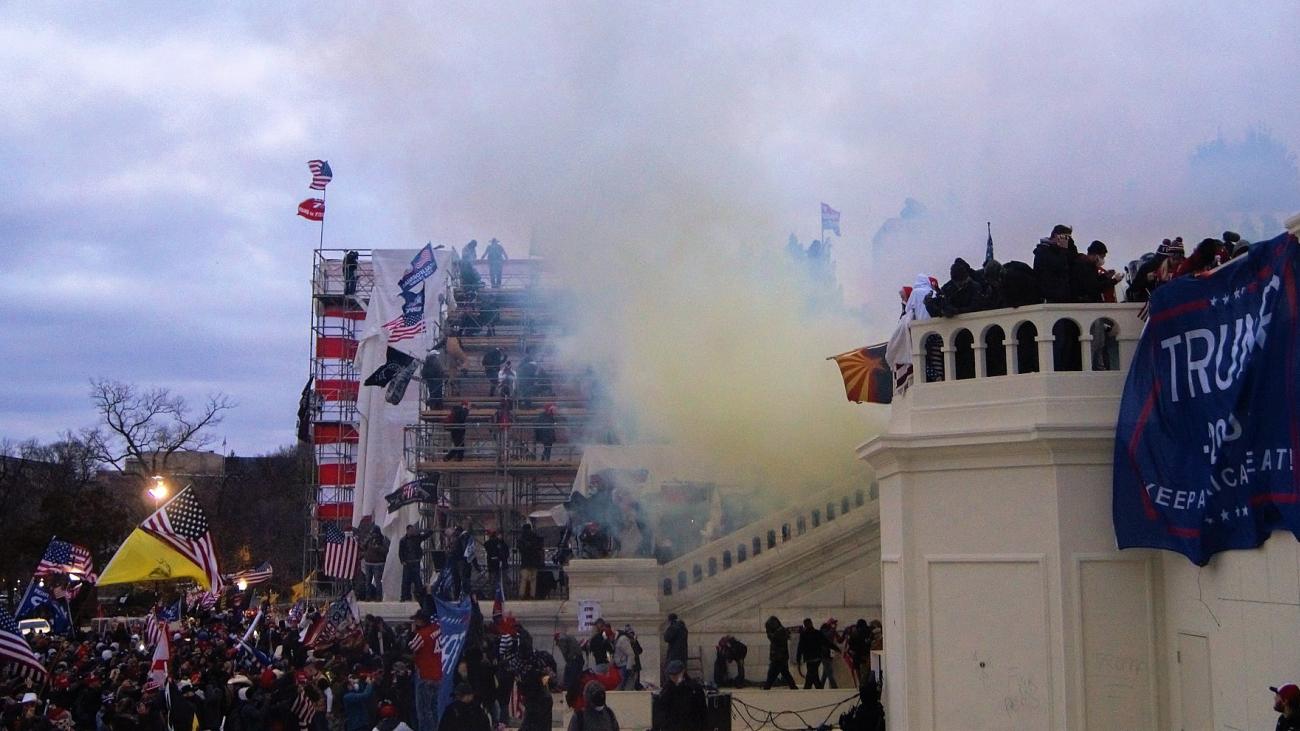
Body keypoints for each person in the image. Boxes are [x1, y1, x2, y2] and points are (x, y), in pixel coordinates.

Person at [410, 612, 444, 731]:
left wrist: (412, 632)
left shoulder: (422, 635)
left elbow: (411, 647)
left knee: (424, 710)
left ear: (421, 621)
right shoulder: (438, 630)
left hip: (425, 675)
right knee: (434, 707)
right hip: (438, 675)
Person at [655, 660, 705, 731]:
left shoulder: (695, 689)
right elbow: (661, 712)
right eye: (671, 675)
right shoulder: (667, 689)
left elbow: (702, 712)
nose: (674, 678)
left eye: (676, 674)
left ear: (683, 672)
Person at [1033, 224, 1076, 303]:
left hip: (1062, 295)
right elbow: (1058, 266)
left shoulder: (1061, 251)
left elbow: (1072, 262)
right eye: (1065, 237)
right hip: (1050, 296)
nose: (1066, 240)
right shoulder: (1043, 251)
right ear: (1056, 235)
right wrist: (1063, 251)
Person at [399, 525, 432, 602]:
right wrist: (402, 561)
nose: (412, 532)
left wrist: (429, 530)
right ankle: (404, 596)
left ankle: (420, 596)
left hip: (415, 562)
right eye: (410, 530)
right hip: (407, 563)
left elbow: (425, 536)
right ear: (407, 530)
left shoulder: (417, 538)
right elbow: (400, 552)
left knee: (417, 580)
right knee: (406, 580)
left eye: (413, 530)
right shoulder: (403, 540)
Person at [762, 616, 796, 690]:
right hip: (780, 656)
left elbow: (773, 638)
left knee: (772, 673)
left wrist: (768, 632)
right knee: (785, 673)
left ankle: (767, 687)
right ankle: (793, 686)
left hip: (778, 657)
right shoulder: (781, 630)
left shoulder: (780, 631)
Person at [795, 618, 826, 689]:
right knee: (814, 675)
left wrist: (798, 659)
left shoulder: (804, 634)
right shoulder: (816, 633)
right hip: (816, 658)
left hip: (810, 658)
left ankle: (807, 689)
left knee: (810, 675)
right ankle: (818, 688)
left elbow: (800, 648)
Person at [517, 523, 545, 599]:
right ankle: (533, 595)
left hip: (525, 562)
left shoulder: (521, 539)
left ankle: (522, 595)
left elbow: (520, 549)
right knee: (533, 580)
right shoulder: (535, 537)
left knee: (524, 580)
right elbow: (539, 548)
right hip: (534, 561)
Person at [361, 529, 389, 601]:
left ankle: (379, 597)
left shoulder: (382, 540)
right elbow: (363, 546)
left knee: (377, 581)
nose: (374, 535)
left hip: (378, 563)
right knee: (367, 581)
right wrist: (367, 540)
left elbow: (386, 550)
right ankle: (368, 596)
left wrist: (378, 548)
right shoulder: (369, 540)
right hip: (368, 562)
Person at [613, 625, 641, 691]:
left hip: (628, 667)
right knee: (627, 687)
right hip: (632, 666)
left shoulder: (622, 640)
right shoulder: (626, 640)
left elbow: (632, 654)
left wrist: (628, 668)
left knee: (626, 688)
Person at [819, 619, 842, 689]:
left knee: (826, 672)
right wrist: (833, 629)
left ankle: (820, 686)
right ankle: (835, 687)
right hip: (824, 653)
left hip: (829, 653)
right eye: (833, 623)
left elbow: (839, 640)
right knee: (829, 671)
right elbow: (827, 638)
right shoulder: (824, 630)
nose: (834, 625)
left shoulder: (832, 630)